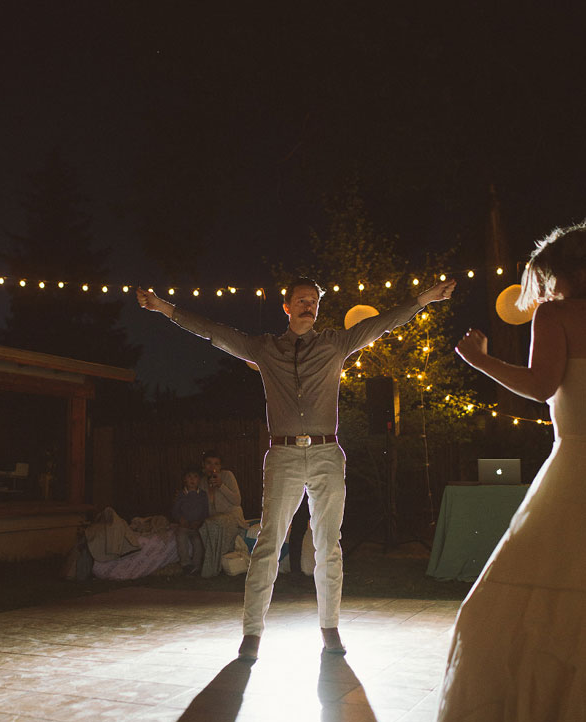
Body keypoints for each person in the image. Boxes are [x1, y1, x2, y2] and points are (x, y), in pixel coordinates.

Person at [137, 274, 455, 661]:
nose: (308, 306)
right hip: (284, 455)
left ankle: (330, 628)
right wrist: (165, 308)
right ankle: (252, 633)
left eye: (313, 301)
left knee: (328, 544)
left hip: (326, 453)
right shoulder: (265, 349)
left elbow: (382, 322)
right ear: (286, 307)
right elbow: (213, 332)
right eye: (301, 300)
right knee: (269, 543)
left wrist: (422, 299)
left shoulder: (336, 343)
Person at [429, 220, 586, 722]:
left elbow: (541, 385)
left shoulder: (558, 314)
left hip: (575, 468)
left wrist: (481, 359)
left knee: (504, 613)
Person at [198, 450, 247, 578]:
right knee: (205, 526)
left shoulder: (227, 476)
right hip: (213, 519)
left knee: (217, 523)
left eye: (216, 464)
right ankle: (212, 566)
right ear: (203, 465)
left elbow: (237, 501)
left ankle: (212, 569)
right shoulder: (202, 482)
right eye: (209, 463)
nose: (212, 467)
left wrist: (221, 486)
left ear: (220, 466)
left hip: (232, 517)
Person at [171, 467, 209, 574]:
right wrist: (180, 519)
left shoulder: (202, 495)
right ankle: (186, 564)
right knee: (181, 538)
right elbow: (175, 511)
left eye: (195, 477)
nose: (192, 480)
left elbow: (205, 512)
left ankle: (196, 566)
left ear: (199, 480)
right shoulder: (181, 494)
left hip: (196, 526)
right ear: (185, 480)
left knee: (198, 542)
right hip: (184, 525)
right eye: (189, 477)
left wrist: (200, 522)